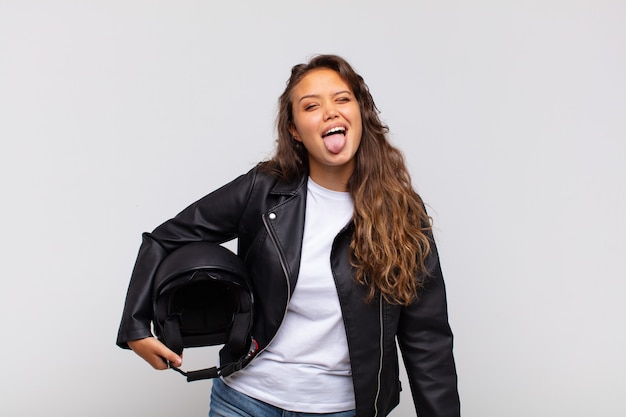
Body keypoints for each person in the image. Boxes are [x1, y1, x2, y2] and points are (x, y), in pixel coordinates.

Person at [117, 54, 460, 417]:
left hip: (339, 410)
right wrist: (135, 327)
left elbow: (427, 340)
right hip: (244, 402)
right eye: (311, 105)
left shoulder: (402, 212)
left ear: (361, 113)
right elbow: (164, 239)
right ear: (295, 130)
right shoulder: (263, 190)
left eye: (342, 99)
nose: (330, 111)